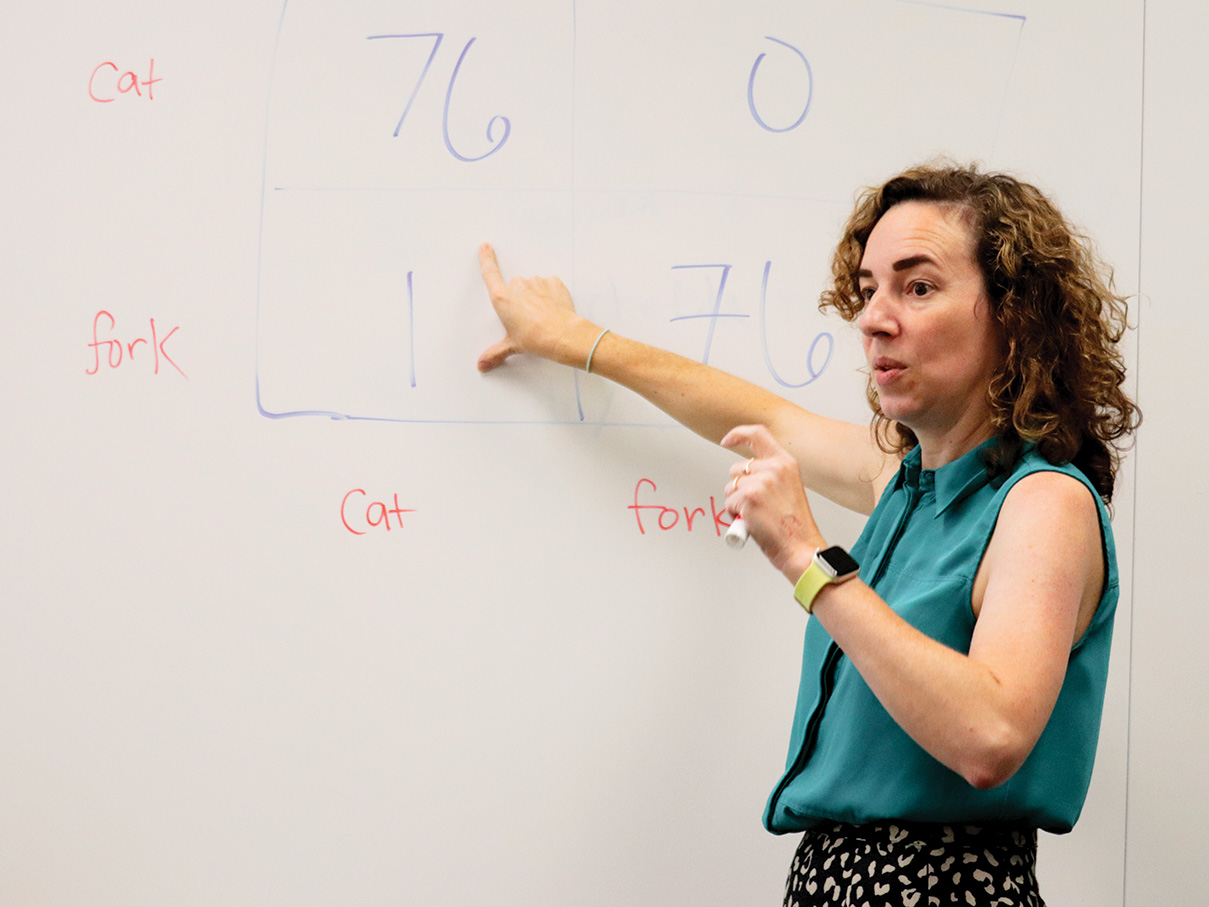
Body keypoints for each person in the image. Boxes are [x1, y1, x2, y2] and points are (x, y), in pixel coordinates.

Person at [475, 162, 1139, 906]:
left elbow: (990, 737)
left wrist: (805, 557)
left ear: (1015, 315)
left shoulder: (1043, 502)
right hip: (830, 881)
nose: (874, 318)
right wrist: (573, 339)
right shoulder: (907, 482)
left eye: (917, 287)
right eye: (869, 289)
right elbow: (761, 417)